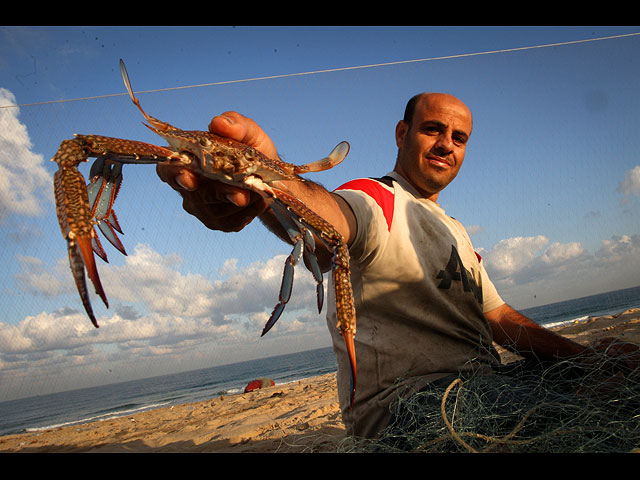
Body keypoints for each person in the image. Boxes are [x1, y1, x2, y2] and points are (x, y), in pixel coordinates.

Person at [157, 93, 639, 442]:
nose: (447, 144)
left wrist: (589, 358)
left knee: (616, 379)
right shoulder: (375, 198)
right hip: (410, 410)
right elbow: (331, 226)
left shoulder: (455, 229)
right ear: (402, 133)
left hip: (491, 387)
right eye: (433, 129)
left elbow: (501, 320)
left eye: (460, 137)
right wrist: (271, 177)